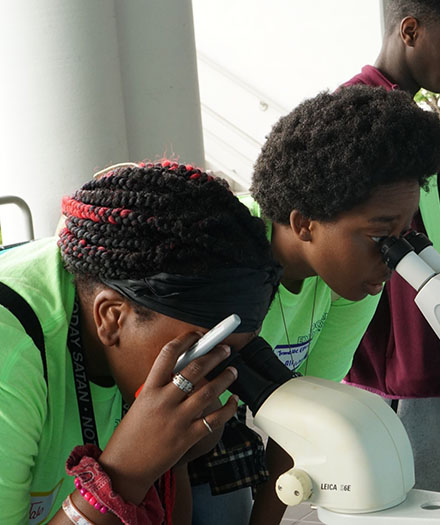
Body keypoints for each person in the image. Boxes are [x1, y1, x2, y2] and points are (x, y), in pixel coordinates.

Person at [187, 86, 440, 524]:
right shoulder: (224, 264)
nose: (393, 259)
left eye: (402, 234)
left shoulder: (354, 281)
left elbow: (298, 425)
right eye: (381, 235)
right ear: (304, 223)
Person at [0, 161, 281, 524]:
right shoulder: (11, 354)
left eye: (228, 358)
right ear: (112, 318)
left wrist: (173, 460)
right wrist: (122, 476)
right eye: (199, 354)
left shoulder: (129, 330)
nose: (209, 382)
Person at [339, 0, 440, 494]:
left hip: (429, 338)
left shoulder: (415, 116)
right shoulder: (356, 114)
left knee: (437, 493)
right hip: (393, 358)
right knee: (408, 497)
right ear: (410, 30)